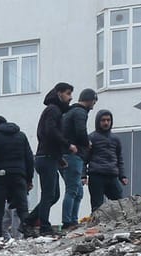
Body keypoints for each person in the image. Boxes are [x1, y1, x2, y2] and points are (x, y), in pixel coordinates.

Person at [29, 83, 72, 233]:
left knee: (54, 195)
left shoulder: (54, 111)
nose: (70, 97)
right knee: (49, 194)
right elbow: (50, 132)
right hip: (46, 157)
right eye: (68, 93)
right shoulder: (53, 110)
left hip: (49, 157)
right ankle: (45, 227)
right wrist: (67, 145)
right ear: (59, 93)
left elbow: (48, 135)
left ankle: (29, 221)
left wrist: (59, 158)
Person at [0, 114, 34, 239]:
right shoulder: (21, 135)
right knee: (22, 207)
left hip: (1, 175)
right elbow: (29, 158)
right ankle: (27, 230)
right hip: (19, 174)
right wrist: (29, 178)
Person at [61, 87, 97, 226]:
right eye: (94, 102)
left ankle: (72, 220)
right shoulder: (80, 112)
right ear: (90, 100)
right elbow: (81, 131)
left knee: (78, 191)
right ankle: (68, 222)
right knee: (72, 190)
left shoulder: (70, 112)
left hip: (67, 155)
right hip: (73, 155)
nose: (93, 106)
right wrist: (86, 142)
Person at [86, 110, 126, 206]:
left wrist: (122, 176)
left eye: (108, 120)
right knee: (97, 206)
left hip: (112, 175)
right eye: (103, 120)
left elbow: (119, 158)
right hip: (96, 176)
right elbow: (85, 157)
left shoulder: (116, 139)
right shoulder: (91, 138)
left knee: (121, 204)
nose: (106, 123)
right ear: (98, 121)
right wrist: (83, 175)